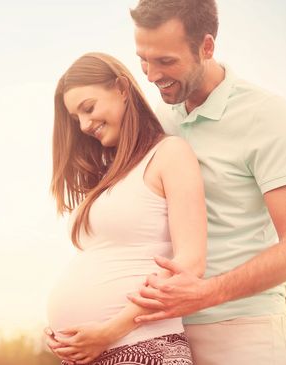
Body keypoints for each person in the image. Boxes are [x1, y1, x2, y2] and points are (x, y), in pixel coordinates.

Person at [126, 1, 286, 364]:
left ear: (206, 47)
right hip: (165, 336)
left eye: (166, 61)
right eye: (144, 59)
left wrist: (204, 295)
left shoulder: (267, 116)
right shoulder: (156, 119)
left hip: (245, 331)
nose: (151, 75)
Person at [46, 52, 207, 364]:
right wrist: (63, 332)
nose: (83, 125)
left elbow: (190, 263)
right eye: (75, 118)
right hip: (92, 353)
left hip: (145, 347)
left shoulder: (169, 153)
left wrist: (110, 331)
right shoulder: (109, 177)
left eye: (88, 108)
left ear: (121, 88)